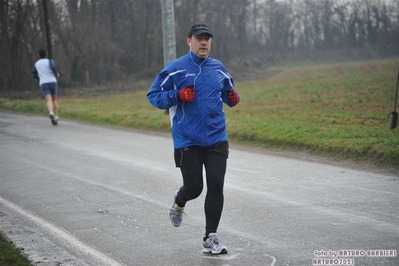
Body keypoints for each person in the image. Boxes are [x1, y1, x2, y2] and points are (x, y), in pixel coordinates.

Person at [147, 23, 240, 254]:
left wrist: (234, 97)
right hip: (187, 138)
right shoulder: (176, 68)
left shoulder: (218, 68)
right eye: (199, 38)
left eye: (207, 39)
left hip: (217, 137)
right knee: (195, 187)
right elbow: (154, 95)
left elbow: (229, 93)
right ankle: (179, 202)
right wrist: (177, 95)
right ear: (189, 41)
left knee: (216, 186)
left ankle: (211, 237)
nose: (204, 42)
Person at [32, 48, 60, 125]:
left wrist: (40, 77)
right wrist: (56, 73)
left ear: (39, 55)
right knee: (54, 99)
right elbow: (53, 68)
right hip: (52, 81)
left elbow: (34, 74)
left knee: (48, 100)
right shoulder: (50, 61)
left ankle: (51, 112)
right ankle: (56, 116)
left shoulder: (36, 64)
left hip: (43, 83)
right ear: (46, 54)